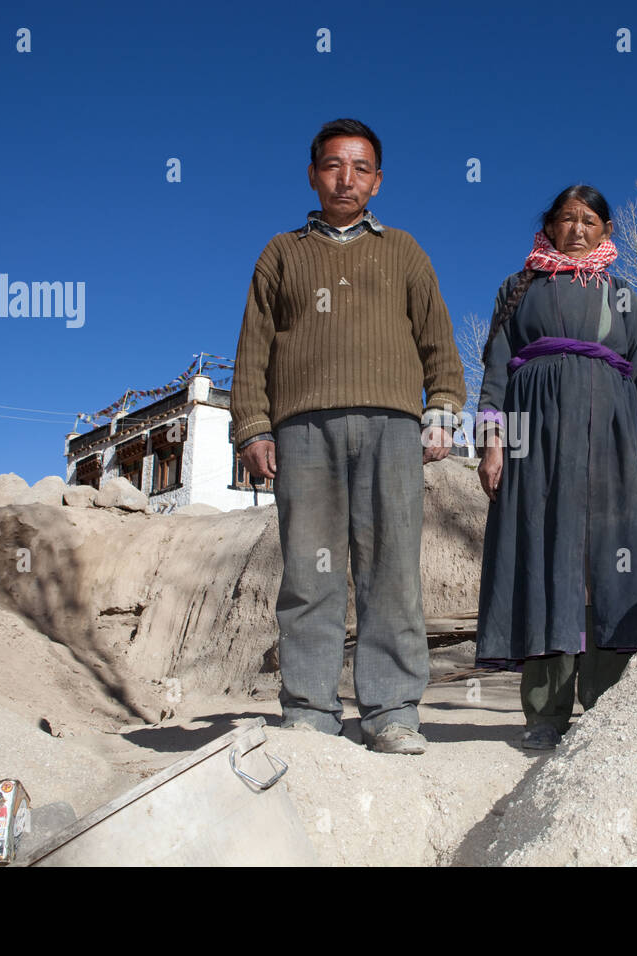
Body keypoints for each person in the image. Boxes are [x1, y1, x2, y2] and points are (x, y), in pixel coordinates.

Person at [231, 118, 465, 755]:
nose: (346, 178)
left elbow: (438, 340)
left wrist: (442, 406)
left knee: (392, 570)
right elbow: (252, 350)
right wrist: (252, 424)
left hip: (392, 428)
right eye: (334, 166)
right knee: (311, 571)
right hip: (303, 430)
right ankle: (309, 711)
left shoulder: (405, 251)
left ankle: (391, 713)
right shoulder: (280, 253)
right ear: (312, 174)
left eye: (361, 169)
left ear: (378, 182)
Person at [475, 185, 637, 750]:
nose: (577, 229)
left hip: (613, 441)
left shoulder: (625, 299)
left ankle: (606, 706)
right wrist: (494, 441)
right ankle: (544, 714)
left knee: (613, 566)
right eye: (566, 219)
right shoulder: (518, 290)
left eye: (589, 220)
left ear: (606, 231)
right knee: (546, 558)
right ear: (548, 227)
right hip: (535, 440)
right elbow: (496, 371)